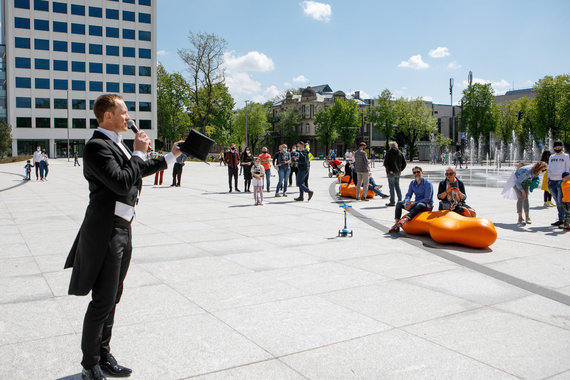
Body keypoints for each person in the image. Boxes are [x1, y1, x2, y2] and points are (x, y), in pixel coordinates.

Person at [64, 94, 184, 380]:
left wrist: (172, 155)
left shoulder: (116, 143)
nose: (128, 117)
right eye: (124, 112)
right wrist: (139, 152)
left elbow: (138, 171)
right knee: (102, 300)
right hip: (105, 230)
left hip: (122, 227)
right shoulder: (96, 147)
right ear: (107, 116)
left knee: (114, 295)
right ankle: (89, 364)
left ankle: (104, 354)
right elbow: (120, 181)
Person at [389, 167, 433, 233]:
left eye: (418, 172)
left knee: (419, 204)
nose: (416, 174)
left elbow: (427, 199)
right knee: (399, 203)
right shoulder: (412, 183)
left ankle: (405, 220)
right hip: (416, 204)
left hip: (426, 205)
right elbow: (408, 195)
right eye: (414, 173)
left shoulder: (427, 183)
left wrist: (413, 203)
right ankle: (396, 225)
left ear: (422, 172)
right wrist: (407, 203)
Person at [548, 141, 570, 226]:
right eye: (555, 147)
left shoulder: (565, 156)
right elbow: (549, 167)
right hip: (552, 181)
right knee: (557, 201)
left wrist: (566, 179)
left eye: (558, 147)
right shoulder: (551, 157)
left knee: (561, 201)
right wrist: (549, 178)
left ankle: (564, 220)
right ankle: (561, 218)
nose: (557, 148)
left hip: (561, 181)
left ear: (562, 147)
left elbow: (567, 168)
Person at [383, 141, 407, 206]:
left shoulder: (389, 153)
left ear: (391, 146)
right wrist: (400, 169)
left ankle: (392, 201)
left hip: (391, 172)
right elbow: (404, 163)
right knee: (397, 186)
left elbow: (385, 163)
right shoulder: (400, 153)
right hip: (398, 172)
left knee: (391, 187)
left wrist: (389, 170)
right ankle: (400, 200)